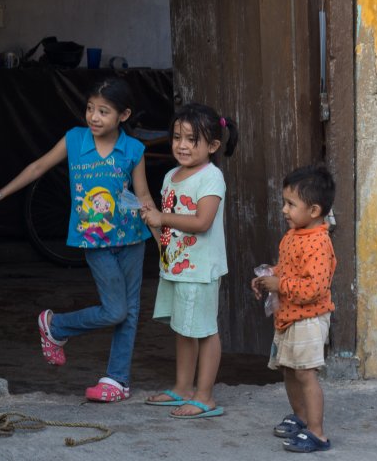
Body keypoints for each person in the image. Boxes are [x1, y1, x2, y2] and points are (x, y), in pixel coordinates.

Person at [0, 78, 154, 402]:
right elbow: (38, 166)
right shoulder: (75, 140)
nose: (94, 117)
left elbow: (142, 195)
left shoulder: (133, 149)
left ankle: (116, 380)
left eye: (104, 111)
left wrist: (163, 239)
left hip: (132, 239)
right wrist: (0, 193)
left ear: (123, 115)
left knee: (129, 312)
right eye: (90, 108)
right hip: (94, 241)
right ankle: (56, 326)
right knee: (115, 310)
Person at [140, 102, 238, 418]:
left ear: (212, 146)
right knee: (183, 329)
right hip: (176, 266)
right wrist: (153, 222)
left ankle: (205, 396)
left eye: (191, 139)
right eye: (177, 137)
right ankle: (182, 388)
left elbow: (201, 222)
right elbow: (166, 225)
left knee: (205, 331)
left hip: (199, 269)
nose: (182, 145)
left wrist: (162, 217)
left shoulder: (211, 177)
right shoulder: (171, 175)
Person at [251, 164, 336, 453]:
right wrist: (268, 278)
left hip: (309, 319)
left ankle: (317, 432)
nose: (285, 210)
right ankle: (301, 417)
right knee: (289, 369)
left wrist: (280, 284)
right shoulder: (293, 235)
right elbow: (287, 270)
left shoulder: (318, 243)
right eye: (284, 203)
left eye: (291, 204)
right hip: (288, 316)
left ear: (313, 210)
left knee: (306, 374)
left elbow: (315, 288)